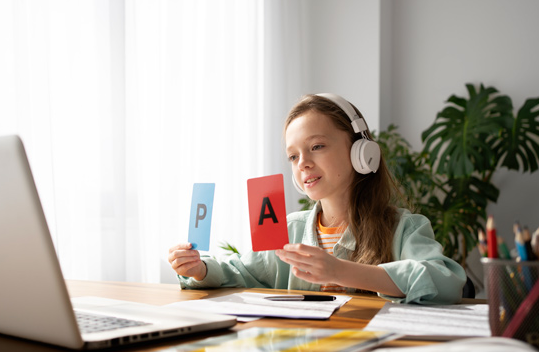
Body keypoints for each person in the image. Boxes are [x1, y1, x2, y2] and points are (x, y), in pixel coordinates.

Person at [168, 93, 466, 304]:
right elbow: (242, 271)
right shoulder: (285, 230)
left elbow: (445, 280)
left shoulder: (405, 227)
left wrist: (341, 271)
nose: (303, 163)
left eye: (317, 146)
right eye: (293, 156)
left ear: (361, 152)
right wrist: (201, 270)